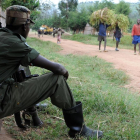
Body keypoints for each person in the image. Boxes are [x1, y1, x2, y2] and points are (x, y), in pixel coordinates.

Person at [0, 5, 103, 139]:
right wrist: (64, 72)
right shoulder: (15, 43)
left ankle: (33, 110)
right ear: (25, 26)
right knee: (56, 80)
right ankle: (78, 129)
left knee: (22, 70)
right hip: (2, 100)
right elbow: (58, 69)